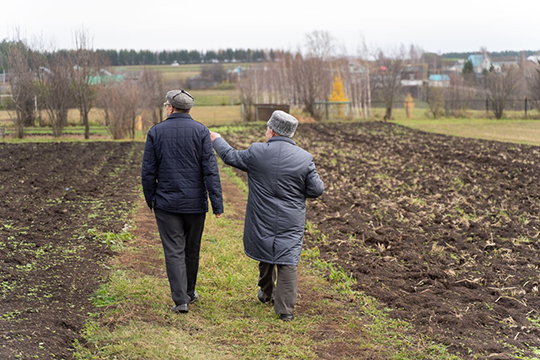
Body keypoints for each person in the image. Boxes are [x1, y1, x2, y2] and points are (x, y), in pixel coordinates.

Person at [210, 111, 324, 321]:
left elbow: (230, 156)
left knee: (265, 248)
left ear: (272, 130)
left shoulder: (257, 152)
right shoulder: (304, 158)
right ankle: (285, 311)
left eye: (266, 128)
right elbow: (317, 189)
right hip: (291, 218)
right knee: (288, 258)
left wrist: (217, 139)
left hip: (262, 215)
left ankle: (266, 293)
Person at [141, 89, 223, 313]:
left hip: (167, 204)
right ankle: (189, 292)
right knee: (191, 249)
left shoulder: (156, 132)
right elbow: (210, 171)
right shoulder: (201, 131)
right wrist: (217, 204)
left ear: (170, 107)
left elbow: (148, 171)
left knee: (174, 251)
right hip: (195, 204)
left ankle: (181, 301)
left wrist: (151, 199)